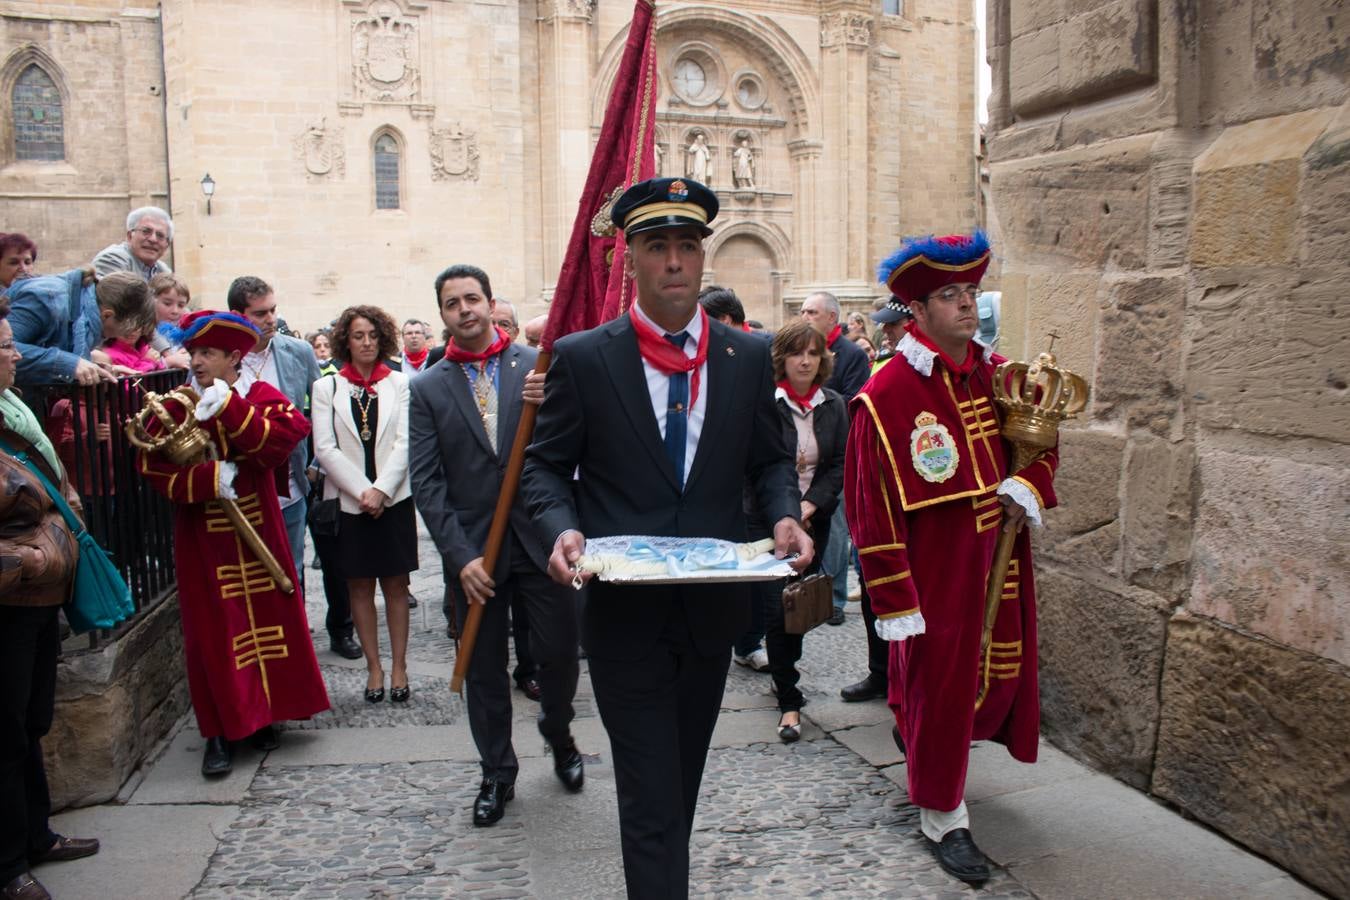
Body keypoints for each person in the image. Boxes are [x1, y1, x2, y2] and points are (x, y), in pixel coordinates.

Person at [521, 177, 812, 897]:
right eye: (658, 247)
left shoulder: (746, 358)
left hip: (711, 618)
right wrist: (561, 531)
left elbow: (770, 458)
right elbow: (544, 469)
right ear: (632, 259)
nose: (676, 261)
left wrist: (783, 512)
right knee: (651, 796)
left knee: (677, 785)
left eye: (687, 245)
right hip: (626, 619)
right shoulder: (588, 357)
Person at [846, 231, 1059, 885]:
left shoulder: (1002, 378)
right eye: (949, 294)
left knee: (993, 678)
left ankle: (925, 748)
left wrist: (1030, 484)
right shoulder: (885, 397)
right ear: (919, 309)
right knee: (939, 688)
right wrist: (895, 598)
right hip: (934, 571)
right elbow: (868, 507)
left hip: (1000, 558)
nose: (967, 305)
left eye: (971, 292)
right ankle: (943, 813)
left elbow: (1046, 438)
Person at [410, 264, 582, 827]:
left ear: (489, 303)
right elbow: (428, 482)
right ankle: (497, 771)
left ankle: (558, 732)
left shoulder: (537, 368)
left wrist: (551, 398)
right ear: (442, 314)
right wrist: (459, 559)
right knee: (483, 670)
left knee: (557, 656)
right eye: (453, 302)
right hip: (475, 556)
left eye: (473, 299)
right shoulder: (427, 387)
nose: (465, 309)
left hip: (538, 542)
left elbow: (567, 449)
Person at [137, 310, 330, 777]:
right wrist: (207, 479)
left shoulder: (259, 397)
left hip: (259, 530)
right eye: (195, 352)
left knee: (269, 620)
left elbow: (280, 443)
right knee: (212, 634)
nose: (197, 361)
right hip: (204, 539)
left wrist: (229, 408)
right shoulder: (176, 405)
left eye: (209, 353)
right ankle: (219, 731)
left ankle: (264, 715)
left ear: (233, 358)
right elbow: (155, 471)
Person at [0, 296, 101, 900]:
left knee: (33, 720)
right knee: (6, 730)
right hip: (11, 596)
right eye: (7, 348)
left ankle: (37, 834)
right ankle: (9, 863)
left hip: (38, 596)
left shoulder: (13, 405)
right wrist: (29, 557)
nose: (17, 355)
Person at [311, 306, 417, 702]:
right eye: (358, 335)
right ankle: (374, 668)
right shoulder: (328, 388)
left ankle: (400, 666)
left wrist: (383, 490)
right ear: (346, 341)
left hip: (394, 499)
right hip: (350, 502)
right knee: (358, 586)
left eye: (373, 334)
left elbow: (407, 441)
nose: (367, 342)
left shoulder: (400, 384)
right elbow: (324, 448)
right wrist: (363, 492)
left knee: (395, 584)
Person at [757, 320, 847, 742]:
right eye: (797, 353)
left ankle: (783, 673)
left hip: (817, 522)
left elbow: (839, 465)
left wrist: (812, 506)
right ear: (782, 359)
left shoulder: (835, 405)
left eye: (813, 353)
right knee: (778, 611)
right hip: (768, 527)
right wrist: (788, 512)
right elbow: (755, 468)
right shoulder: (764, 404)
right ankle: (789, 700)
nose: (806, 361)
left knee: (798, 608)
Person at [226, 276, 322, 602]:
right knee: (246, 576)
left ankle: (296, 643)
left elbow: (322, 409)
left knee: (291, 570)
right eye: (260, 313)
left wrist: (316, 463)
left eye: (273, 310)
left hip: (291, 486)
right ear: (238, 315)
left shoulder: (299, 352)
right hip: (238, 488)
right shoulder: (219, 356)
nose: (271, 320)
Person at [799, 290, 869, 627]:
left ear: (831, 317)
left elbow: (854, 401)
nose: (805, 317)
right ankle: (804, 595)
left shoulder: (852, 354)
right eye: (802, 311)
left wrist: (820, 399)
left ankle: (836, 598)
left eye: (811, 312)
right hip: (804, 453)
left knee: (836, 530)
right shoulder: (801, 352)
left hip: (838, 456)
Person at [7, 269, 153, 389]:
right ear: (107, 315)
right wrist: (68, 363)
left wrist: (95, 369)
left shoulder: (83, 314)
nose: (105, 338)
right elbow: (6, 349)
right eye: (109, 333)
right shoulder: (45, 297)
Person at [91, 207, 174, 282]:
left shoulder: (164, 272)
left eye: (160, 235)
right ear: (130, 236)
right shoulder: (113, 259)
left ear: (167, 245)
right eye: (146, 231)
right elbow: (117, 297)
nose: (153, 239)